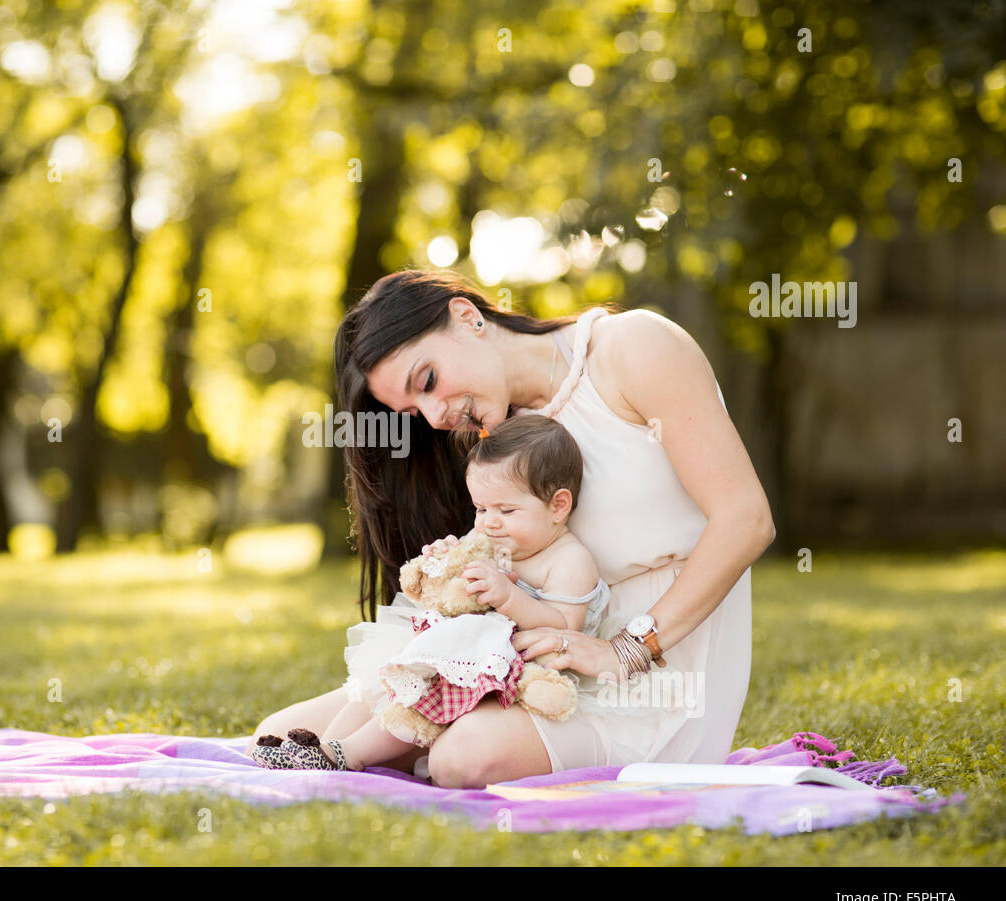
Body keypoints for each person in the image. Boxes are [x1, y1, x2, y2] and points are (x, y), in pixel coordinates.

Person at [249, 269, 775, 789]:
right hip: (524, 654)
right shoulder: (498, 433)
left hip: (653, 667)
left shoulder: (632, 348)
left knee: (464, 757)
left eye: (427, 380)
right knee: (275, 735)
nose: (434, 417)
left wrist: (623, 651)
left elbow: (746, 520)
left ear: (467, 316)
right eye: (413, 410)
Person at [251, 415, 610, 773]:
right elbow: (451, 593)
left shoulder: (569, 559)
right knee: (385, 679)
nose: (488, 522)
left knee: (417, 691)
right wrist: (442, 566)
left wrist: (508, 597)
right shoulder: (492, 540)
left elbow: (565, 628)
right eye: (481, 509)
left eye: (506, 510)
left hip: (508, 673)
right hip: (456, 654)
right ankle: (323, 748)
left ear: (558, 506)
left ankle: (348, 754)